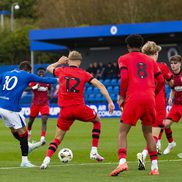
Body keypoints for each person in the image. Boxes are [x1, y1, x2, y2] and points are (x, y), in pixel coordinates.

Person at [40, 51, 115, 169]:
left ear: (68, 61)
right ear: (80, 62)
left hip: (65, 111)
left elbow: (49, 68)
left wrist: (59, 62)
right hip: (80, 108)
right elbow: (100, 85)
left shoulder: (61, 70)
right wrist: (110, 102)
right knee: (97, 121)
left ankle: (46, 160)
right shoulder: (84, 73)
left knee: (58, 138)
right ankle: (94, 151)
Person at [109, 34, 164, 176]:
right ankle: (154, 167)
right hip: (150, 99)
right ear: (141, 46)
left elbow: (125, 78)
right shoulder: (150, 61)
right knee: (148, 133)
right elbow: (161, 81)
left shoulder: (124, 58)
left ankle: (122, 162)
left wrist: (121, 97)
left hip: (134, 98)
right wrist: (153, 92)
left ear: (128, 46)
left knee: (122, 131)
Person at [0, 61, 57, 167]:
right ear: (29, 70)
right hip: (11, 108)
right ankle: (25, 161)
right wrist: (59, 79)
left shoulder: (6, 73)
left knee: (14, 129)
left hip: (1, 106)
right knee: (23, 133)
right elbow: (44, 80)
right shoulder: (26, 75)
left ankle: (28, 145)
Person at [136, 41, 173, 170]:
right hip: (158, 102)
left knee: (152, 130)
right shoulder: (161, 66)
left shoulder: (140, 67)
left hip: (143, 102)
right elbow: (172, 83)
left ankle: (162, 144)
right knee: (154, 135)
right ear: (156, 53)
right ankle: (144, 154)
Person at [27, 67, 52, 145]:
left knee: (44, 120)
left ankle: (42, 139)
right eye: (39, 72)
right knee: (30, 122)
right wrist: (35, 87)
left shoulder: (47, 82)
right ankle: (28, 135)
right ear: (37, 73)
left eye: (42, 72)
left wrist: (49, 95)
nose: (41, 73)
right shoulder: (34, 81)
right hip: (35, 104)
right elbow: (27, 88)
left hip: (44, 104)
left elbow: (49, 90)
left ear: (44, 73)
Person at [163, 55, 182, 152]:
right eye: (172, 63)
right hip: (176, 105)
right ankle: (171, 143)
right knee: (165, 124)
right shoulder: (170, 76)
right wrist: (170, 98)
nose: (173, 65)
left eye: (175, 63)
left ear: (180, 64)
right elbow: (173, 89)